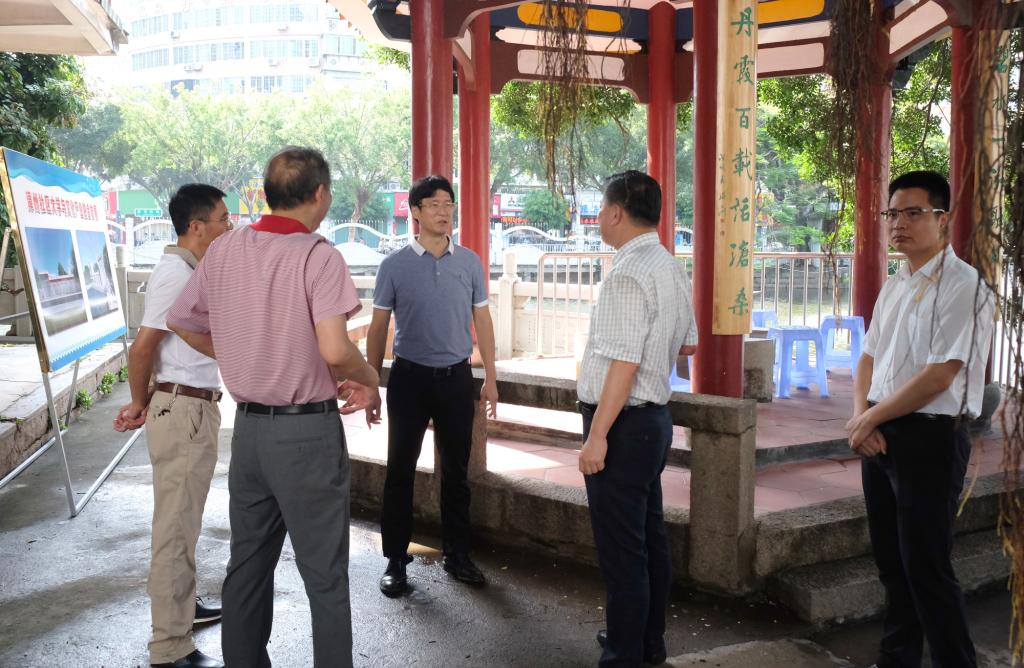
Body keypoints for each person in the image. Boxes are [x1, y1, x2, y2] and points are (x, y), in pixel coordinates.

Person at [167, 147, 379, 668]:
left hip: (250, 434)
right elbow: (335, 349)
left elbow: (181, 320)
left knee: (248, 567)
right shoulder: (318, 256)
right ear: (320, 195)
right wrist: (370, 378)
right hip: (307, 434)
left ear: (268, 194)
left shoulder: (225, 249)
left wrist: (240, 353)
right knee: (324, 575)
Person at [846, 170, 994, 668]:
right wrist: (862, 416)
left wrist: (869, 419)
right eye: (892, 214)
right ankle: (898, 659)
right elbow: (868, 358)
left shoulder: (964, 285)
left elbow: (940, 375)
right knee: (891, 563)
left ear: (942, 219)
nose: (899, 224)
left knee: (927, 567)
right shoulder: (896, 283)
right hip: (880, 431)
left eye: (913, 213)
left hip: (930, 437)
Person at [576, 170, 697, 667]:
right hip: (653, 420)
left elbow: (623, 363)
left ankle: (623, 655)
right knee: (648, 539)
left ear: (616, 213)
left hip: (623, 425)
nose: (598, 219)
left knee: (622, 551)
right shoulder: (669, 265)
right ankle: (648, 642)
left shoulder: (627, 272)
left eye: (601, 211)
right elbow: (688, 346)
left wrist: (597, 435)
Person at [114, 184, 232, 668]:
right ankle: (170, 646)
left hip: (189, 407)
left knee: (184, 521)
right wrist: (138, 402)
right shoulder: (174, 275)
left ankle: (183, 609)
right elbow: (142, 348)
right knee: (175, 530)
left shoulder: (190, 270)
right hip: (182, 409)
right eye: (223, 219)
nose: (229, 226)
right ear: (197, 227)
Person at [366, 174, 498, 596]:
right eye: (435, 204)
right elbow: (378, 327)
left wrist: (491, 377)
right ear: (415, 212)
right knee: (400, 470)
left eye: (449, 204)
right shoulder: (394, 265)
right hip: (409, 379)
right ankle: (395, 558)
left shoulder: (469, 262)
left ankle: (458, 555)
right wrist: (371, 382)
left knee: (456, 473)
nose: (444, 212)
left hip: (457, 378)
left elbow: (482, 320)